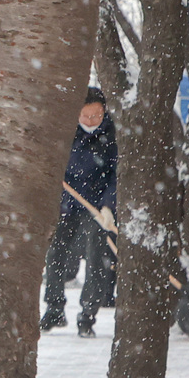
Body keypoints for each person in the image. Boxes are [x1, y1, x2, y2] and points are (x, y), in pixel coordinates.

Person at [42, 88, 118, 336]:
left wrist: (108, 205)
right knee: (55, 254)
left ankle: (88, 316)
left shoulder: (112, 136)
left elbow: (116, 176)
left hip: (96, 207)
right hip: (67, 203)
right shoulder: (66, 134)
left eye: (95, 116)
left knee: (96, 260)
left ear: (104, 112)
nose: (90, 121)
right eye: (85, 116)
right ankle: (54, 309)